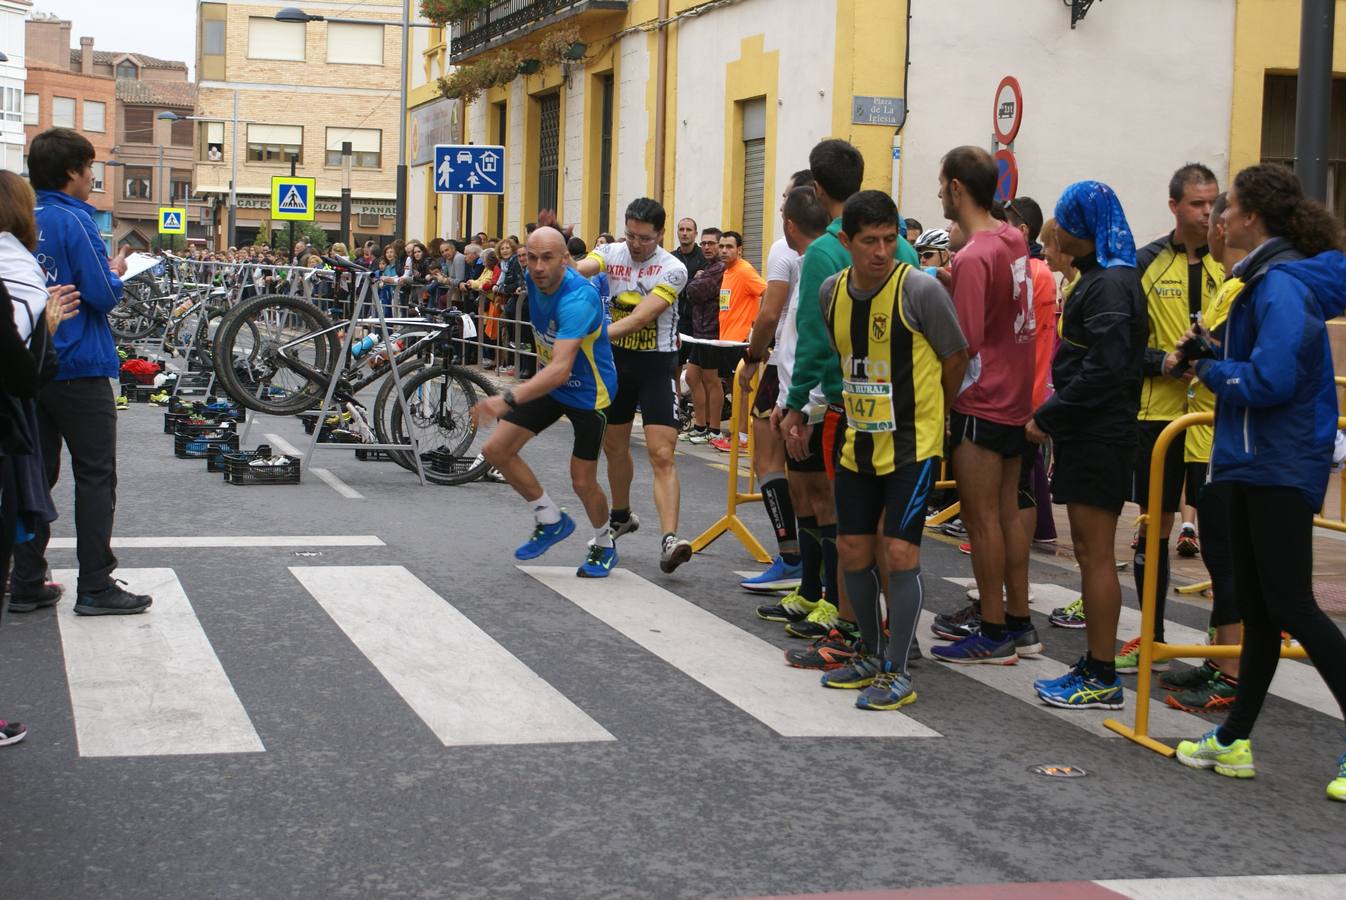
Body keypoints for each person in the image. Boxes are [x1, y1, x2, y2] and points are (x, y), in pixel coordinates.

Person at [1170, 165, 1346, 801]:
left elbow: (1269, 381)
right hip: (1251, 458)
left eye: (1229, 206)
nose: (1219, 216)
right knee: (1261, 611)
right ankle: (1235, 738)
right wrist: (1214, 353)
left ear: (1250, 218)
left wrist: (1213, 371)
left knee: (1292, 604)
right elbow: (1263, 367)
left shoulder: (1280, 287)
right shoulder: (1261, 280)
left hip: (1279, 459)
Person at [811, 190, 968, 710]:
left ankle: (898, 670)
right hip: (859, 443)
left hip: (913, 445)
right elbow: (844, 356)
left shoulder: (920, 290)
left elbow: (956, 356)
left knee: (900, 554)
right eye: (869, 241)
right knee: (853, 552)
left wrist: (936, 415)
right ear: (847, 241)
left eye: (890, 239)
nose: (881, 251)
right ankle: (869, 653)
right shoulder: (831, 293)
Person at [780, 138, 921, 642]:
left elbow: (818, 338)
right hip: (902, 404)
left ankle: (848, 623)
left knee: (848, 522)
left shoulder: (825, 249)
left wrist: (795, 404)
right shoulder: (902, 244)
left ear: (816, 189)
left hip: (849, 404)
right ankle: (880, 625)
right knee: (886, 528)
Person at [10, 129, 151, 616]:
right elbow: (104, 295)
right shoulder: (76, 219)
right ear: (72, 171)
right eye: (90, 168)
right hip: (79, 363)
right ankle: (95, 582)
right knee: (94, 475)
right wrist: (113, 270)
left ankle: (26, 577)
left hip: (30, 362)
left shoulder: (21, 217)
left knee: (35, 473)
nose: (93, 177)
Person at [1026, 180, 1146, 709]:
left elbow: (1105, 367)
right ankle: (1096, 664)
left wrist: (1051, 414)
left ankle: (1101, 673)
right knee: (1088, 553)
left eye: (1064, 221)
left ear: (1086, 230)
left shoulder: (1111, 285)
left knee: (1096, 556)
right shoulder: (1101, 279)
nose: (1057, 229)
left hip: (1100, 434)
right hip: (1089, 431)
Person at [928, 146, 1038, 666]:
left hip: (980, 398)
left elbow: (962, 344)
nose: (939, 194)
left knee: (981, 519)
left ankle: (993, 630)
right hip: (1016, 395)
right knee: (1008, 511)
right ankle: (1019, 620)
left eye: (941, 185)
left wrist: (941, 404)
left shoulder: (972, 255)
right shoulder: (1012, 237)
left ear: (956, 189)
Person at [1121, 163, 1222, 675]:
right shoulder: (1145, 263)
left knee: (1221, 530)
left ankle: (1219, 643)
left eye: (1213, 203)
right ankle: (1152, 634)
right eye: (1197, 204)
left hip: (1213, 419)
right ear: (1174, 206)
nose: (1207, 213)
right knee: (1152, 525)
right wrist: (1160, 361)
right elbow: (1124, 343)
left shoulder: (1231, 266)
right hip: (1155, 416)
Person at [475, 226, 620, 578]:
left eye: (548, 258)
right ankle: (549, 518)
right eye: (532, 257)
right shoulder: (531, 274)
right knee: (496, 450)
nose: (538, 267)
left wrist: (505, 399)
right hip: (553, 388)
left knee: (582, 481)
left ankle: (604, 543)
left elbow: (559, 369)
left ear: (566, 261)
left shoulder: (578, 299)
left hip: (589, 392)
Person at [572, 199, 693, 573]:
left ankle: (669, 539)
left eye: (644, 237)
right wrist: (558, 259)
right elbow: (581, 268)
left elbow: (641, 318)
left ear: (660, 233)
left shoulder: (673, 268)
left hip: (656, 365)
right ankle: (621, 515)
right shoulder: (612, 251)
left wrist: (591, 337)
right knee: (615, 448)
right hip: (616, 365)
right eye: (630, 235)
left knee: (661, 453)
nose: (636, 244)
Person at [1159, 191, 1244, 712]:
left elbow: (1213, 347)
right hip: (1204, 430)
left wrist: (1195, 355)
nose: (1210, 225)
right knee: (1216, 548)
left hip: (1225, 433)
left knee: (1228, 554)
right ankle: (1222, 659)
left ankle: (1233, 667)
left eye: (1217, 215)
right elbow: (1200, 339)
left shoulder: (1240, 286)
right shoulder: (1229, 283)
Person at [739, 170, 815, 593]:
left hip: (786, 362)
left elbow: (770, 313)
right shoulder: (839, 244)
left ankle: (791, 557)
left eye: (786, 197)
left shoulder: (785, 248)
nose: (782, 205)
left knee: (770, 461)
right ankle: (809, 563)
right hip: (817, 365)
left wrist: (753, 356)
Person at [1004, 195, 1059, 547]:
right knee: (1025, 473)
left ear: (1022, 230)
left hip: (1026, 386)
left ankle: (1020, 547)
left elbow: (1026, 335)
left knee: (1018, 481)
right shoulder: (1036, 271)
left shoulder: (1031, 272)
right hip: (1031, 385)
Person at [707, 231, 765, 454]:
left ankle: (742, 438)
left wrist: (755, 329)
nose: (723, 250)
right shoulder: (728, 271)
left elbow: (767, 291)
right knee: (735, 391)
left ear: (739, 250)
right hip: (727, 341)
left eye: (729, 247)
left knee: (742, 391)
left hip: (740, 342)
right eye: (721, 246)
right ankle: (737, 434)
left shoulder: (744, 270)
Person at [681, 228, 725, 444]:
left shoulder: (718, 268)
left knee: (711, 380)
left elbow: (695, 292)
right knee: (691, 377)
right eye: (704, 243)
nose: (707, 247)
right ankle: (700, 425)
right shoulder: (708, 267)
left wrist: (692, 282)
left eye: (712, 243)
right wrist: (696, 279)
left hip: (713, 333)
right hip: (699, 332)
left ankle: (714, 429)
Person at [672, 216, 707, 376]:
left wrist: (683, 284)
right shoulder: (670, 259)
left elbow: (705, 287)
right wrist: (694, 280)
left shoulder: (704, 258)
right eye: (681, 229)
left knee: (697, 375)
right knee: (674, 371)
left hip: (699, 322)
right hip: (675, 320)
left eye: (689, 230)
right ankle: (676, 401)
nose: (685, 233)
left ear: (695, 233)